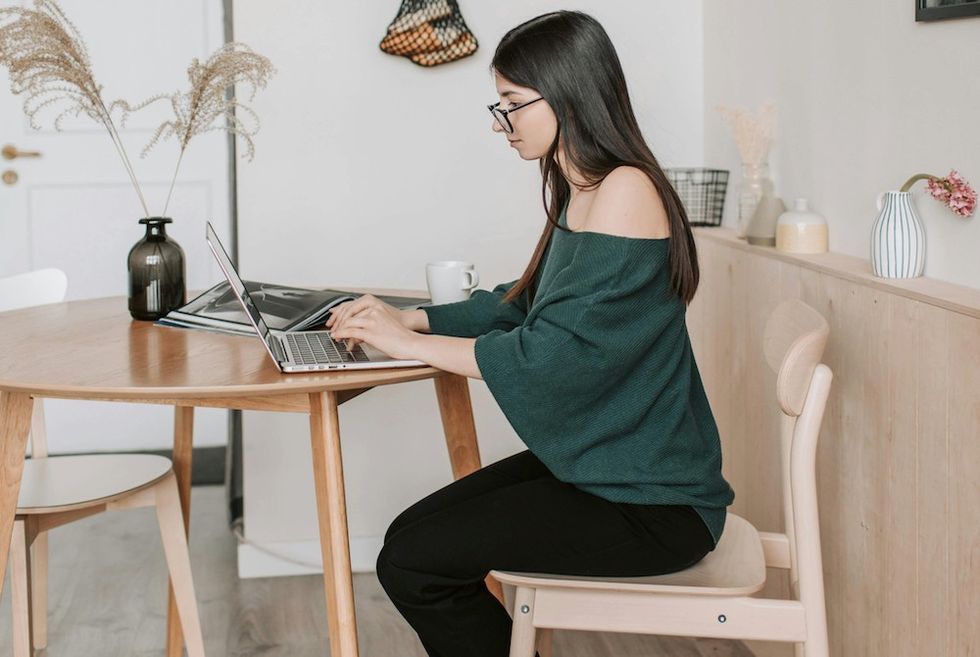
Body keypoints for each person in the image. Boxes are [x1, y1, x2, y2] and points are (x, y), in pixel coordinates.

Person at [326, 10, 735, 657]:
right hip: (607, 467)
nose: (500, 122)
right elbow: (522, 307)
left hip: (654, 502)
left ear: (567, 92)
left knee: (412, 562)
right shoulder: (584, 188)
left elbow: (549, 358)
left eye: (512, 104)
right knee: (408, 537)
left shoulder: (626, 190)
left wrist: (409, 345)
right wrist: (413, 318)